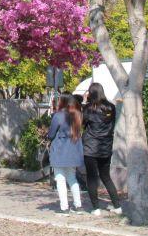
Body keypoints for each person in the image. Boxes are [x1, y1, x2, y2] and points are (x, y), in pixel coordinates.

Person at [82, 83, 122, 215]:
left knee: (92, 178)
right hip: (105, 147)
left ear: (91, 93)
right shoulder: (111, 107)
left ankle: (96, 208)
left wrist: (84, 103)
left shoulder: (89, 108)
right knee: (106, 177)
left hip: (90, 147)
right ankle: (117, 206)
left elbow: (83, 123)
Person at [48, 95, 84, 213]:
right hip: (73, 150)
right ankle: (78, 205)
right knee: (72, 178)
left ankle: (64, 208)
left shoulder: (58, 116)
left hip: (60, 151)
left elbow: (51, 134)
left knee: (60, 179)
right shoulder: (78, 115)